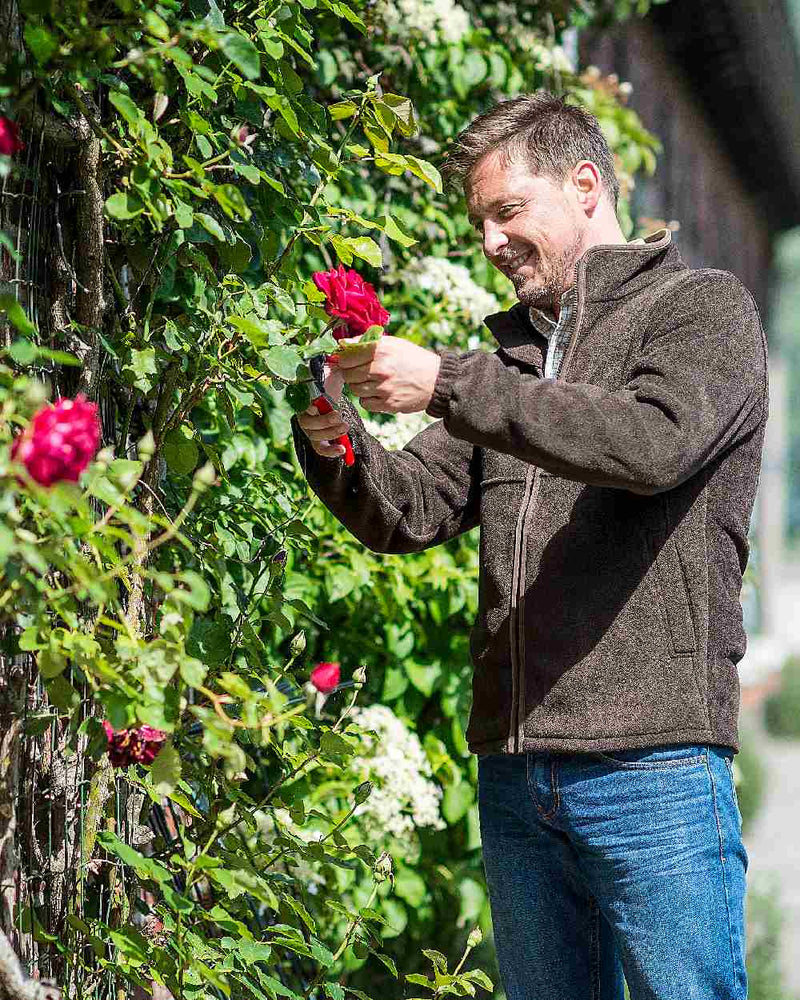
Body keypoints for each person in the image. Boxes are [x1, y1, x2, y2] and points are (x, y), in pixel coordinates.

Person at [291, 91, 767, 1000]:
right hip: (515, 773)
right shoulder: (513, 356)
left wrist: (447, 381)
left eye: (507, 211)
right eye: (479, 222)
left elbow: (650, 443)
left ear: (585, 185)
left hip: (652, 766)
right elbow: (414, 509)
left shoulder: (701, 311)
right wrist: (335, 442)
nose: (491, 242)